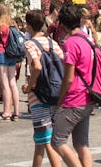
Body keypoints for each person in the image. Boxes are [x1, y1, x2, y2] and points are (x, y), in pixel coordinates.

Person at [52, 4, 95, 167]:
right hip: (89, 95)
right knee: (82, 144)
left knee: (57, 140)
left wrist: (60, 100)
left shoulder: (71, 42)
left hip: (74, 97)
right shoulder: (87, 38)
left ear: (62, 24)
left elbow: (68, 78)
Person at [21, 9, 63, 167]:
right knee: (41, 140)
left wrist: (29, 86)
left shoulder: (30, 44)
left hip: (38, 96)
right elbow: (63, 63)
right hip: (55, 93)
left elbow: (37, 67)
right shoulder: (53, 42)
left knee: (46, 141)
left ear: (28, 25)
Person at [0, 4, 21, 120]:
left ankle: (6, 111)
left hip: (2, 54)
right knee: (13, 83)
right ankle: (16, 111)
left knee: (4, 83)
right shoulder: (12, 24)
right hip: (13, 55)